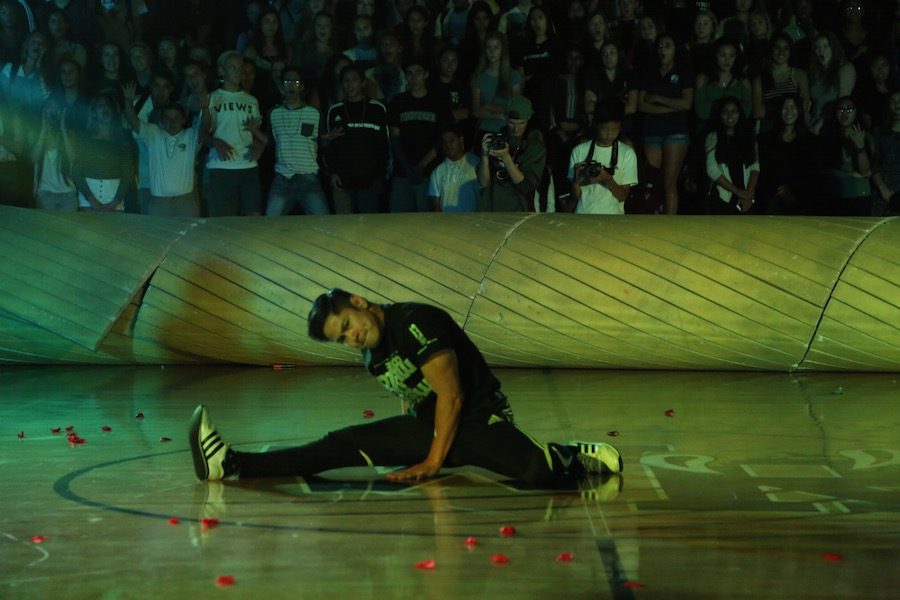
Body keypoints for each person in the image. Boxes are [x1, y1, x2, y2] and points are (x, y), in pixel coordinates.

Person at [189, 288, 623, 487]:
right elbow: (412, 391)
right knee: (337, 445)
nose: (351, 338)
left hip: (474, 417)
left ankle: (575, 453)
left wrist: (431, 463)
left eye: (346, 326)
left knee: (537, 473)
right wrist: (407, 440)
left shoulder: (415, 322)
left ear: (359, 304)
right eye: (341, 339)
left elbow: (452, 396)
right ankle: (231, 465)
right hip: (431, 425)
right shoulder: (370, 353)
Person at [121, 81, 207, 217]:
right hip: (159, 203)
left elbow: (205, 127)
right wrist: (128, 100)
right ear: (161, 121)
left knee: (190, 238)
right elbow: (132, 120)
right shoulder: (153, 133)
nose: (172, 121)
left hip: (186, 202)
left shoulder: (190, 135)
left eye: (176, 118)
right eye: (167, 118)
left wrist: (206, 108)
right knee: (157, 238)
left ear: (183, 120)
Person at [204, 51, 267, 217]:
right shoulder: (211, 98)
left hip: (248, 166)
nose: (238, 72)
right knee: (225, 222)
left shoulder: (251, 100)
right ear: (222, 71)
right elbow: (202, 135)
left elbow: (253, 134)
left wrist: (259, 146)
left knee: (253, 218)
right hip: (222, 166)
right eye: (233, 68)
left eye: (240, 68)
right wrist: (215, 142)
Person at [321, 63, 389, 213]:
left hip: (369, 181)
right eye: (345, 80)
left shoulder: (377, 109)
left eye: (354, 80)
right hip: (342, 181)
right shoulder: (335, 110)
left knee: (368, 228)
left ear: (363, 83)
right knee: (344, 228)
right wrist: (331, 173)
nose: (349, 84)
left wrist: (380, 176)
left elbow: (384, 146)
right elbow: (329, 146)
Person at [264, 66, 329, 216]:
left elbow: (322, 141)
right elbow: (271, 143)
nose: (292, 85)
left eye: (296, 81)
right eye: (287, 81)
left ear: (302, 86)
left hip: (308, 177)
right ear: (281, 87)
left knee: (324, 223)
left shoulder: (314, 113)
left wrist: (327, 140)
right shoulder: (273, 114)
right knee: (269, 223)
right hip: (283, 177)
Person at [388, 59, 449, 213]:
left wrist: (422, 165)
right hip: (402, 173)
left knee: (426, 221)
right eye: (409, 74)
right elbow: (394, 137)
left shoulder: (438, 102)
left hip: (430, 173)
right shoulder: (397, 102)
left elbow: (444, 137)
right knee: (398, 221)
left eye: (418, 73)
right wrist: (407, 167)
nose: (413, 78)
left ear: (426, 74)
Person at [568, 97, 638, 215]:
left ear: (620, 126)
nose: (609, 134)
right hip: (583, 214)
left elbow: (622, 197)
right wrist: (576, 180)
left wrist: (608, 179)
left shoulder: (627, 153)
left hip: (613, 216)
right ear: (596, 125)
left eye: (614, 129)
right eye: (604, 129)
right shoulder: (579, 151)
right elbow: (576, 196)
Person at [477, 94, 546, 212]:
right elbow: (483, 183)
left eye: (521, 123)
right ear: (505, 117)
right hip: (491, 209)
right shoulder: (496, 140)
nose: (516, 129)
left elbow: (526, 186)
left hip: (519, 211)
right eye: (512, 123)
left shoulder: (535, 147)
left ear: (529, 117)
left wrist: (506, 157)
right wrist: (484, 156)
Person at [427, 124, 480, 212]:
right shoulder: (437, 172)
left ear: (461, 140)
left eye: (451, 140)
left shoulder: (476, 163)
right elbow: (434, 205)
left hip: (473, 223)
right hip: (448, 223)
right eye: (444, 142)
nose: (448, 145)